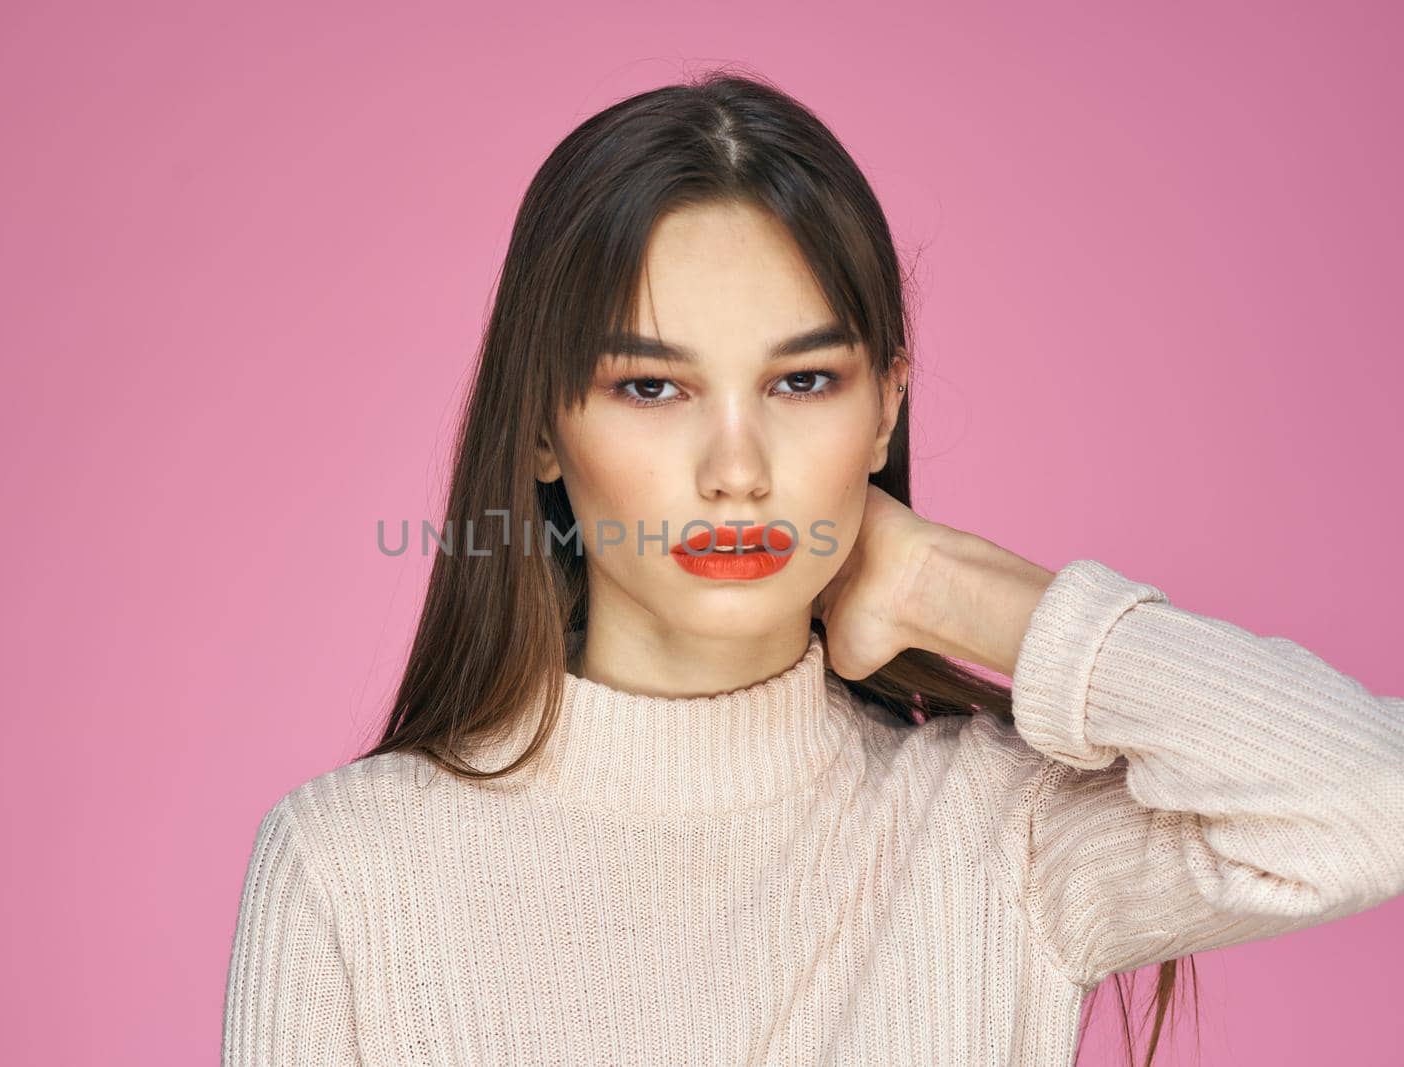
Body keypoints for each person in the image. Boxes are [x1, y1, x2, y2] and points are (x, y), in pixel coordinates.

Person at [221, 70, 1404, 1066]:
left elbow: (1370, 802)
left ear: (885, 409)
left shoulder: (999, 832)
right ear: (540, 426)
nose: (735, 469)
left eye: (801, 382)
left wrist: (955, 586)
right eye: (650, 386)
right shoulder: (348, 868)